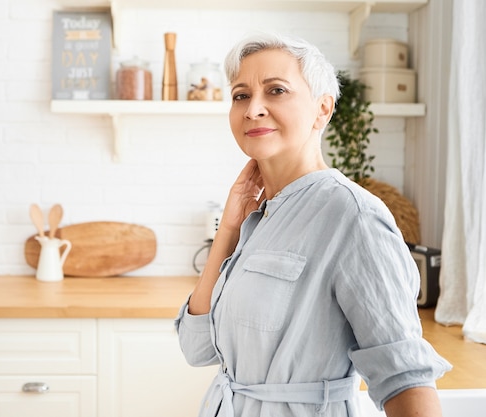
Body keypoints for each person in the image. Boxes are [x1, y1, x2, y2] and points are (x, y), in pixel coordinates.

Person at [174, 32, 452, 417]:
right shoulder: (259, 217)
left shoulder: (353, 217)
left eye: (276, 91)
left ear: (322, 109)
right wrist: (228, 231)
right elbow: (197, 347)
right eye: (241, 94)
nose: (253, 108)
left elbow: (406, 380)